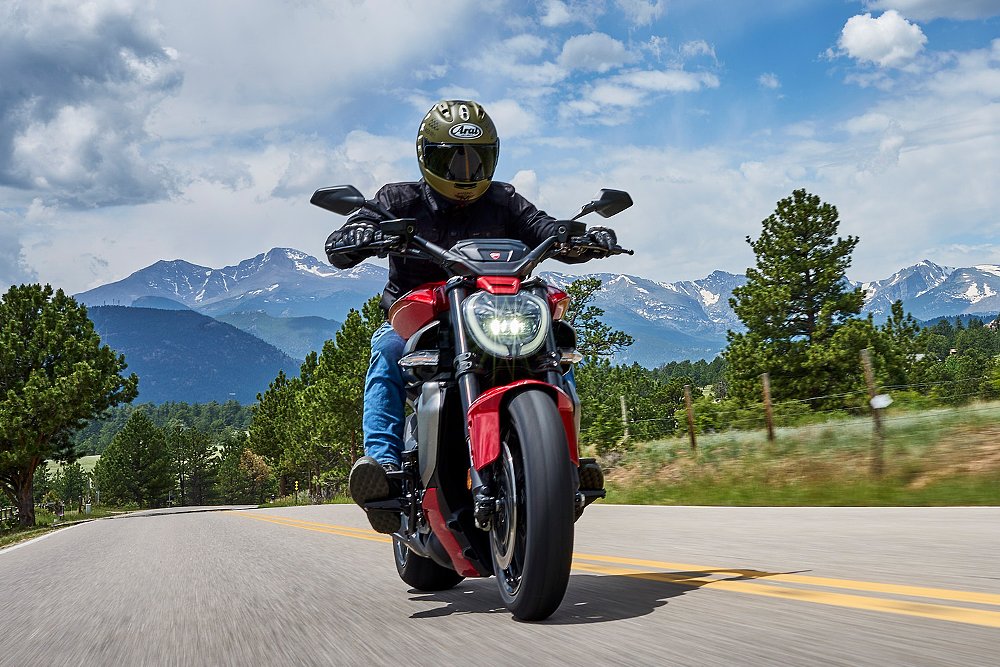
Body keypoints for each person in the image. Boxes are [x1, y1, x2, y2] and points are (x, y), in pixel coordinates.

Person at [324, 100, 618, 533]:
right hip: (420, 319)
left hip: (494, 311)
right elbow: (350, 235)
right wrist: (356, 233)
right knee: (386, 350)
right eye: (453, 159)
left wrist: (573, 237)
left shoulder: (504, 200)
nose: (466, 171)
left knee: (553, 344)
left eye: (476, 159)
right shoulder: (396, 199)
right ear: (428, 157)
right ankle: (384, 468)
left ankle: (563, 462)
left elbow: (542, 226)